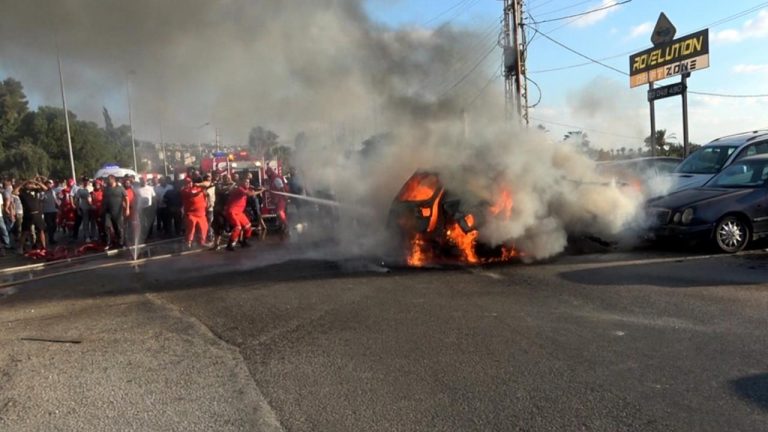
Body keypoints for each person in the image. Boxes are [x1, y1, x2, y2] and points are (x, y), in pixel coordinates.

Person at [225, 178, 263, 251]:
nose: (247, 183)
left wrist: (258, 188)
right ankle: (229, 245)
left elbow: (251, 190)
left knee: (248, 226)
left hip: (239, 212)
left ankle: (244, 242)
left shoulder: (246, 188)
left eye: (248, 182)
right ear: (241, 183)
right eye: (245, 182)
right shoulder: (239, 189)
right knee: (237, 227)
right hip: (232, 211)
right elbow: (249, 194)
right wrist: (261, 191)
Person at [15, 178, 48, 252]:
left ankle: (43, 247)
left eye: (31, 184)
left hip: (37, 213)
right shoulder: (22, 192)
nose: (30, 185)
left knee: (41, 231)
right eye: (28, 184)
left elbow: (45, 188)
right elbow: (14, 192)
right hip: (28, 215)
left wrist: (36, 182)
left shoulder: (36, 190)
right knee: (25, 232)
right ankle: (20, 248)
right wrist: (23, 183)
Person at [181, 177, 210, 248]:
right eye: (187, 183)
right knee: (191, 228)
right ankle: (188, 243)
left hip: (201, 213)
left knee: (204, 227)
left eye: (190, 182)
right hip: (191, 213)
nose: (189, 184)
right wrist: (201, 189)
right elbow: (194, 194)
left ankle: (202, 242)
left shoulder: (198, 187)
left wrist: (199, 184)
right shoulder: (184, 190)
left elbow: (208, 184)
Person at [101, 175, 128, 249]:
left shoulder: (120, 188)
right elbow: (103, 200)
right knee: (107, 226)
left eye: (109, 179)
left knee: (119, 228)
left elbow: (126, 198)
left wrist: (127, 209)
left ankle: (121, 243)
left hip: (118, 212)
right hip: (108, 212)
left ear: (113, 180)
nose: (108, 181)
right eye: (107, 179)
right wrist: (102, 210)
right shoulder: (106, 189)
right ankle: (108, 243)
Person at [134, 178, 156, 242]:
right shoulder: (136, 189)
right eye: (142, 181)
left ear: (146, 182)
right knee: (142, 222)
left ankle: (150, 234)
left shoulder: (150, 188)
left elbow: (154, 197)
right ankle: (144, 235)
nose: (143, 182)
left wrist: (154, 206)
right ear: (140, 182)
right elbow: (135, 199)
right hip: (141, 208)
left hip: (149, 207)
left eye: (144, 181)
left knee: (149, 221)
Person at [41, 179, 60, 245]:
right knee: (50, 225)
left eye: (50, 184)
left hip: (54, 210)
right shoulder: (42, 193)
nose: (49, 185)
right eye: (48, 184)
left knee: (54, 225)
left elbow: (55, 200)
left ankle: (51, 237)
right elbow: (40, 200)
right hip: (47, 211)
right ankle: (51, 239)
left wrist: (58, 206)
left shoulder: (53, 191)